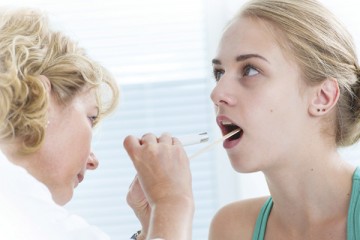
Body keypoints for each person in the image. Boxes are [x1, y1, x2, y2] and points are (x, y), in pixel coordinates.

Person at [124, 0, 360, 239]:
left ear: (322, 97)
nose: (216, 94)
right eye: (219, 73)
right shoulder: (233, 228)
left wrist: (172, 205)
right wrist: (153, 223)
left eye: (250, 70)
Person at [0, 8, 121, 240]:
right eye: (90, 117)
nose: (93, 161)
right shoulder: (24, 215)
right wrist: (171, 204)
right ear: (38, 98)